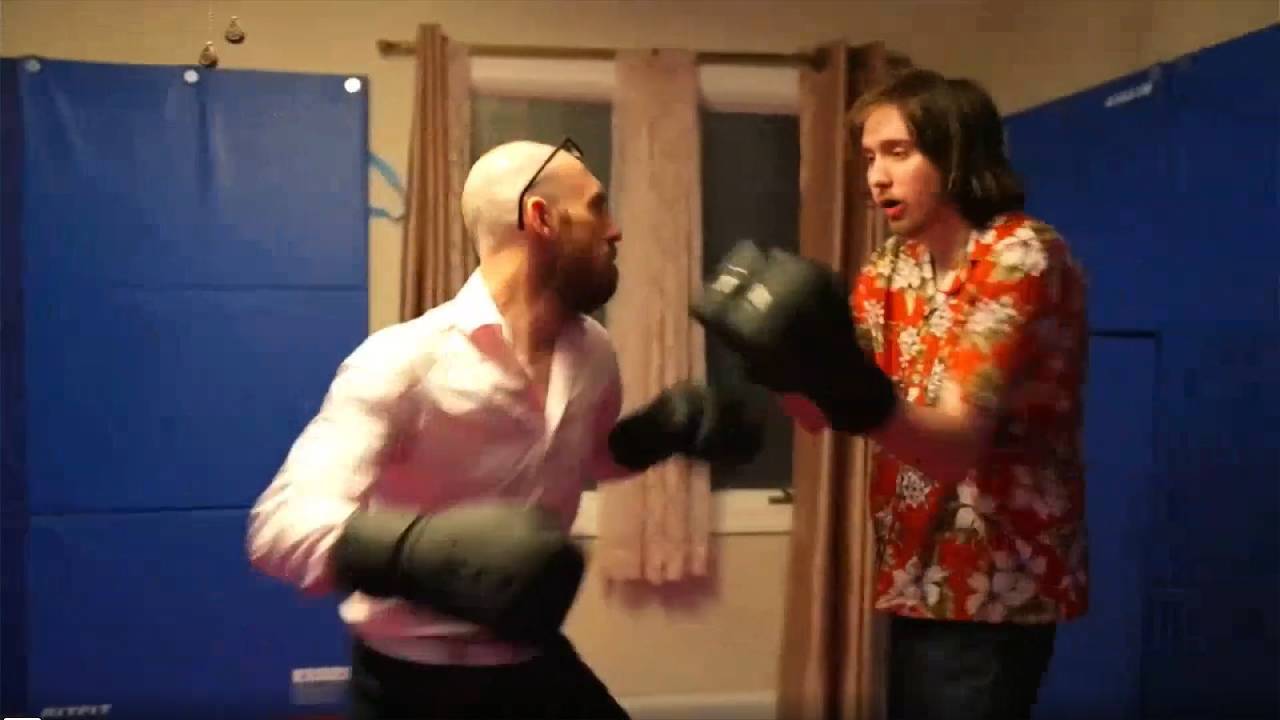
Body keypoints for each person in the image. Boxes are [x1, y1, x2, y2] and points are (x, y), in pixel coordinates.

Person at [247, 138, 761, 720]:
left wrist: (659, 433)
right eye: (597, 208)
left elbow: (589, 457)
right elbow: (279, 527)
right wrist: (417, 554)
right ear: (540, 218)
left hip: (531, 663)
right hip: (409, 684)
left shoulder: (592, 351)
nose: (614, 230)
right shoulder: (404, 362)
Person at [692, 70, 1089, 720]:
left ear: (955, 154)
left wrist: (850, 391)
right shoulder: (890, 269)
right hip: (913, 571)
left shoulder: (1018, 255)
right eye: (870, 157)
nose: (876, 177)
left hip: (996, 580)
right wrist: (773, 363)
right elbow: (823, 415)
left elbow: (953, 445)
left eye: (898, 153)